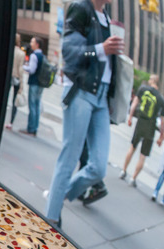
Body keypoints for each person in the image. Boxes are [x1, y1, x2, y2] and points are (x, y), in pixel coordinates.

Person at [44, 0, 124, 227]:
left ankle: (56, 196)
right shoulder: (81, 8)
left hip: (101, 97)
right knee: (69, 157)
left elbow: (110, 63)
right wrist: (102, 49)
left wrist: (110, 95)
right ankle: (50, 219)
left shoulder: (107, 18)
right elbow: (69, 52)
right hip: (80, 91)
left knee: (98, 167)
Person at [119, 75, 164, 187]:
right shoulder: (160, 99)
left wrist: (130, 117)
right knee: (143, 155)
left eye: (150, 79)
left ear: (153, 81)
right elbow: (162, 121)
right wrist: (160, 137)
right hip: (150, 127)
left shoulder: (143, 89)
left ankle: (123, 171)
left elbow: (134, 103)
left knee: (132, 147)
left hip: (140, 122)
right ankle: (133, 177)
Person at [19, 37, 46, 137]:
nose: (30, 44)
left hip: (34, 82)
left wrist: (23, 67)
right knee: (37, 105)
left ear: (37, 44)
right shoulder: (42, 56)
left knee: (32, 106)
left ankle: (30, 128)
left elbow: (32, 69)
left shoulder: (34, 55)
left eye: (32, 42)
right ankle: (34, 128)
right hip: (40, 83)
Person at [5, 33, 26, 130]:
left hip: (8, 76)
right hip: (16, 77)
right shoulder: (21, 53)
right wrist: (22, 85)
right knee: (15, 101)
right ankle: (11, 122)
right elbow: (20, 69)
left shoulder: (8, 49)